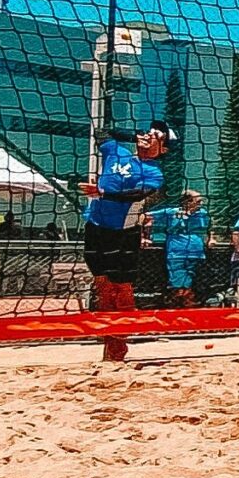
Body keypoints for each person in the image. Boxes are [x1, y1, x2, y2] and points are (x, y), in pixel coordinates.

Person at [81, 120, 172, 362]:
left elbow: (137, 194)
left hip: (123, 234)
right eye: (148, 132)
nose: (149, 135)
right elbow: (101, 132)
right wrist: (136, 135)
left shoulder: (153, 172)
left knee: (122, 289)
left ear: (163, 149)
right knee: (102, 287)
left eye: (156, 136)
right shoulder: (117, 152)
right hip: (96, 228)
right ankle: (110, 344)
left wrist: (103, 193)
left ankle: (118, 346)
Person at [149, 188, 209, 308]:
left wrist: (210, 239)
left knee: (193, 282)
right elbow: (146, 216)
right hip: (177, 253)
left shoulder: (202, 214)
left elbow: (208, 228)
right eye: (198, 202)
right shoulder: (171, 212)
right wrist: (145, 236)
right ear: (187, 202)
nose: (200, 204)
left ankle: (187, 304)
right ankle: (180, 305)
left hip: (197, 253)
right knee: (179, 283)